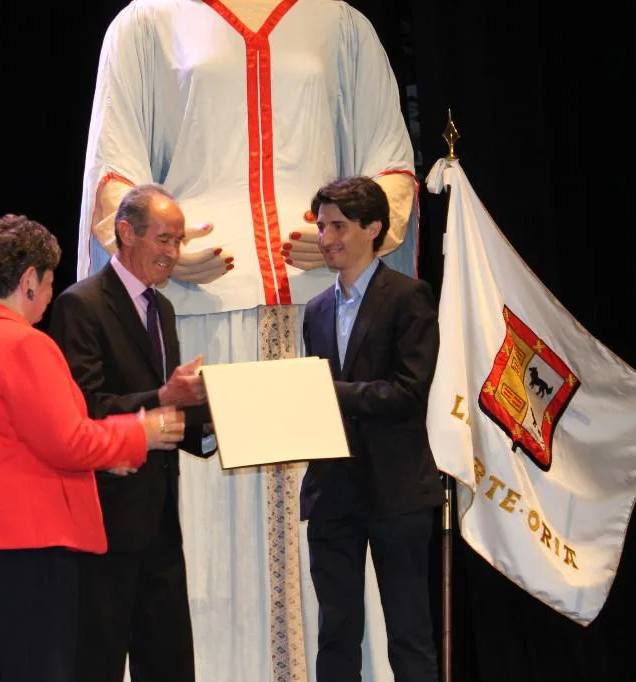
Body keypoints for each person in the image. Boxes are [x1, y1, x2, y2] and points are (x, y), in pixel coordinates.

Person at [79, 1, 421, 679]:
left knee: (330, 523)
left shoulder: (339, 22)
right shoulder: (149, 23)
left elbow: (393, 166)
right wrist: (166, 250)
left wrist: (352, 231)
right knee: (202, 530)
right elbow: (111, 174)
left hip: (318, 318)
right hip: (199, 316)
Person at [0, 213, 183, 682]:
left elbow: (17, 441)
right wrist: (140, 432)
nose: (50, 293)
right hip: (22, 544)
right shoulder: (24, 344)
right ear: (29, 279)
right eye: (48, 281)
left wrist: (110, 454)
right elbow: (69, 441)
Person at [49, 184, 214, 682]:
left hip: (159, 518)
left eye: (179, 241)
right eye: (164, 239)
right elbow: (85, 407)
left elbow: (169, 407)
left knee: (168, 662)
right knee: (95, 661)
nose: (173, 253)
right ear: (125, 232)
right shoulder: (81, 304)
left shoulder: (162, 309)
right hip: (103, 519)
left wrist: (214, 421)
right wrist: (164, 396)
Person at [300, 176, 443, 682]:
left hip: (396, 493)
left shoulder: (409, 297)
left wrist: (327, 391)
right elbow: (316, 405)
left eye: (339, 226)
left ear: (374, 227)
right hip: (331, 493)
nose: (327, 238)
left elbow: (409, 392)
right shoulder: (316, 310)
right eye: (322, 227)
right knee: (335, 637)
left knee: (408, 635)